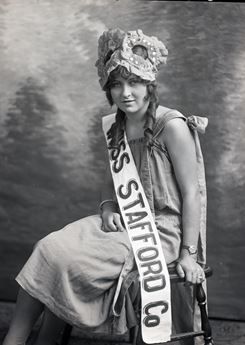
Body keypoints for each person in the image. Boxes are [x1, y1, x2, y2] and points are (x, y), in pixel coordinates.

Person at [3, 28, 208, 345]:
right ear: (108, 89)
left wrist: (188, 254)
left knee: (67, 259)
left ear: (149, 84)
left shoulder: (173, 126)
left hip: (161, 232)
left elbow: (192, 194)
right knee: (50, 247)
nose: (126, 93)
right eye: (116, 84)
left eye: (135, 82)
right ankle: (18, 340)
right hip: (126, 218)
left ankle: (42, 339)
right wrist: (108, 206)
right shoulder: (117, 125)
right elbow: (109, 180)